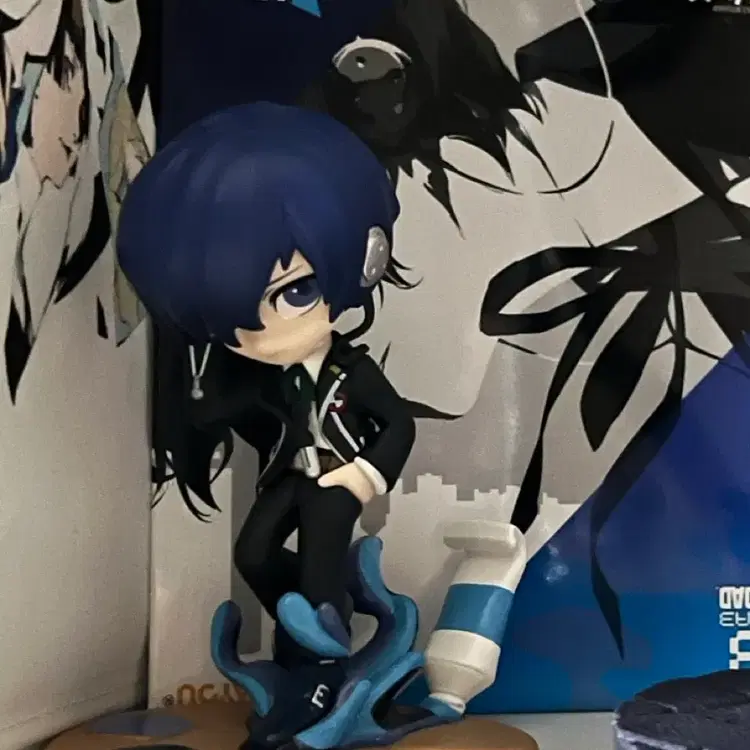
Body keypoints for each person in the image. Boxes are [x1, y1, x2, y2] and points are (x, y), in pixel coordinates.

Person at [116, 101, 417, 744]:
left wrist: (364, 476)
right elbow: (241, 416)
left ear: (365, 260)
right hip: (286, 479)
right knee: (253, 554)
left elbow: (398, 425)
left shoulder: (354, 371)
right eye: (233, 318)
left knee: (319, 564)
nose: (264, 335)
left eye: (295, 293)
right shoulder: (261, 377)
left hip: (338, 479)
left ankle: (322, 663)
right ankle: (313, 621)